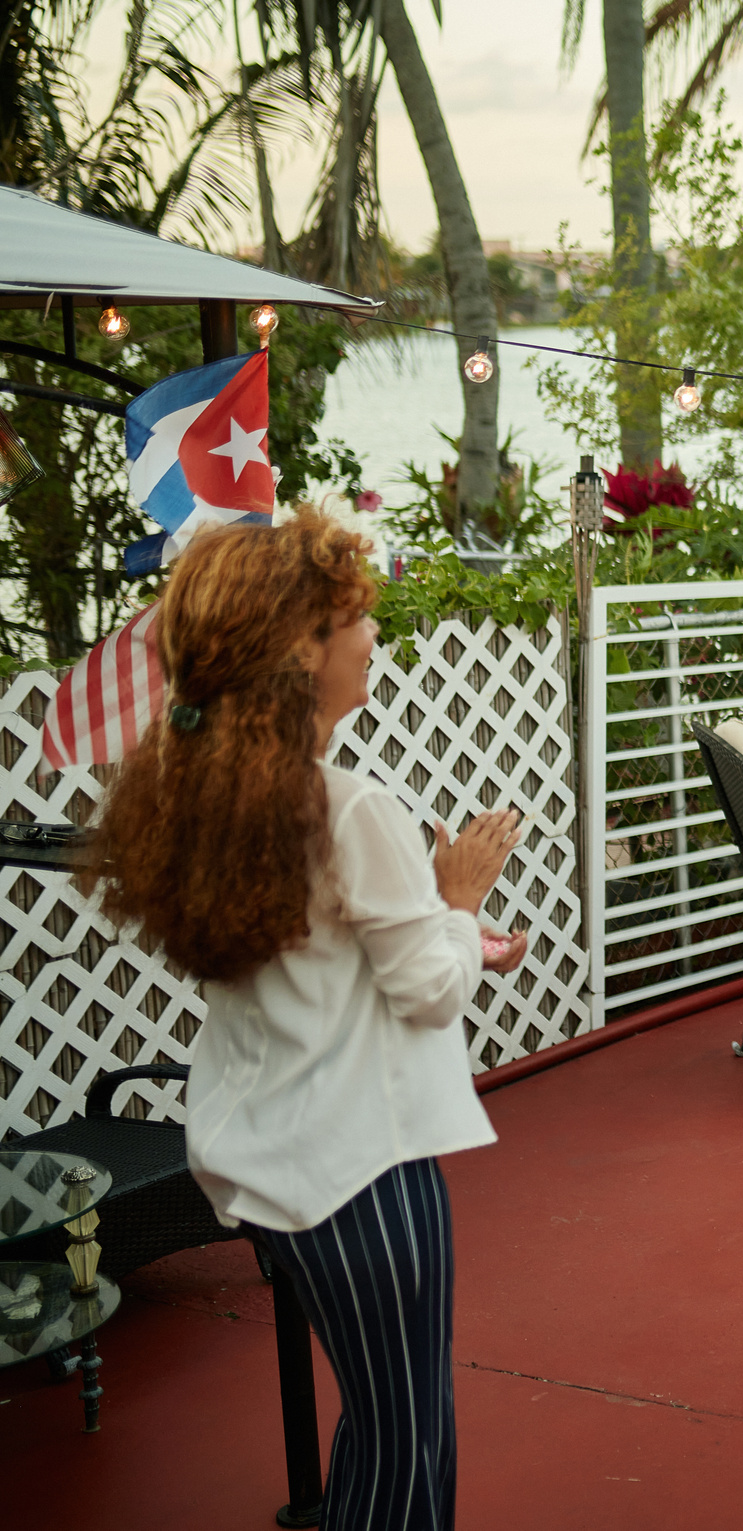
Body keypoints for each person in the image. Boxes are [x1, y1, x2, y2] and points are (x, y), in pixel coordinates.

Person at [82, 511, 527, 1529]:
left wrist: (440, 920)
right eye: (353, 616)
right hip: (362, 1166)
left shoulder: (208, 795)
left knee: (374, 1418)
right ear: (298, 649)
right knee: (409, 1432)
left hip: (275, 1157)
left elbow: (320, 965)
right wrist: (458, 898)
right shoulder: (350, 806)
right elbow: (430, 989)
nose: (371, 632)